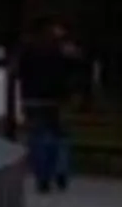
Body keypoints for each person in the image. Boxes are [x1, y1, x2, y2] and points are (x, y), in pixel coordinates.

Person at [17, 18, 85, 194]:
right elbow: (76, 69)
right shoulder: (64, 50)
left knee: (38, 137)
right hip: (57, 99)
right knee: (60, 137)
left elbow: (19, 71)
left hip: (33, 98)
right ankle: (59, 170)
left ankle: (43, 176)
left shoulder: (29, 48)